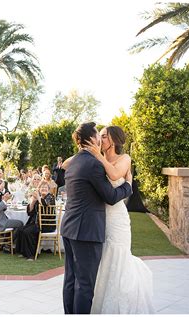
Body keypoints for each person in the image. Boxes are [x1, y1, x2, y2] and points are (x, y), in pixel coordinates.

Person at [60, 122, 133, 314]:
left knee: (70, 280)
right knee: (84, 285)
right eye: (98, 136)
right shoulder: (93, 164)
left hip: (69, 227)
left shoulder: (76, 162)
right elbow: (110, 197)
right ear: (92, 139)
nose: (101, 139)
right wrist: (128, 186)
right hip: (86, 231)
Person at [84, 125, 154, 314]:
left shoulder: (124, 159)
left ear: (113, 140)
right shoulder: (96, 160)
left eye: (104, 136)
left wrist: (97, 155)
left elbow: (115, 175)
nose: (100, 139)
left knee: (118, 256)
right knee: (103, 258)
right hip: (99, 217)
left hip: (117, 219)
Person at [15, 181, 55, 260]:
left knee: (28, 232)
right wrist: (33, 202)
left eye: (45, 187)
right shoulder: (37, 198)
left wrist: (39, 198)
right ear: (39, 189)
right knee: (21, 229)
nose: (43, 189)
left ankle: (32, 255)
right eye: (41, 187)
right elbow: (30, 213)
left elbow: (45, 206)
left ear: (49, 189)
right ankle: (23, 252)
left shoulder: (50, 197)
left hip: (46, 224)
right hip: (36, 222)